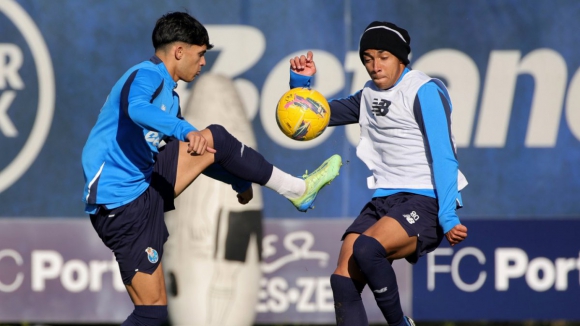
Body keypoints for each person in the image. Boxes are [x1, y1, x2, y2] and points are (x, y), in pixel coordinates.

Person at [81, 12, 342, 326]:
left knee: (216, 139)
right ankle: (297, 190)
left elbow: (197, 156)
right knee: (151, 313)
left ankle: (297, 190)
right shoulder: (146, 75)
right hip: (122, 205)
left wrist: (237, 181)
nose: (203, 63)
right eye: (200, 54)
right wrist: (185, 130)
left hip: (145, 182)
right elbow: (137, 109)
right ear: (179, 51)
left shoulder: (170, 97)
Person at [289, 21, 468, 326]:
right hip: (385, 199)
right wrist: (301, 86)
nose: (374, 65)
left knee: (366, 248)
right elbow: (318, 117)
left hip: (427, 201)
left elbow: (445, 158)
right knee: (342, 279)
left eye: (383, 56)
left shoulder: (423, 91)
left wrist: (448, 216)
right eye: (368, 58)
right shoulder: (368, 94)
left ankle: (400, 324)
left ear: (401, 58)